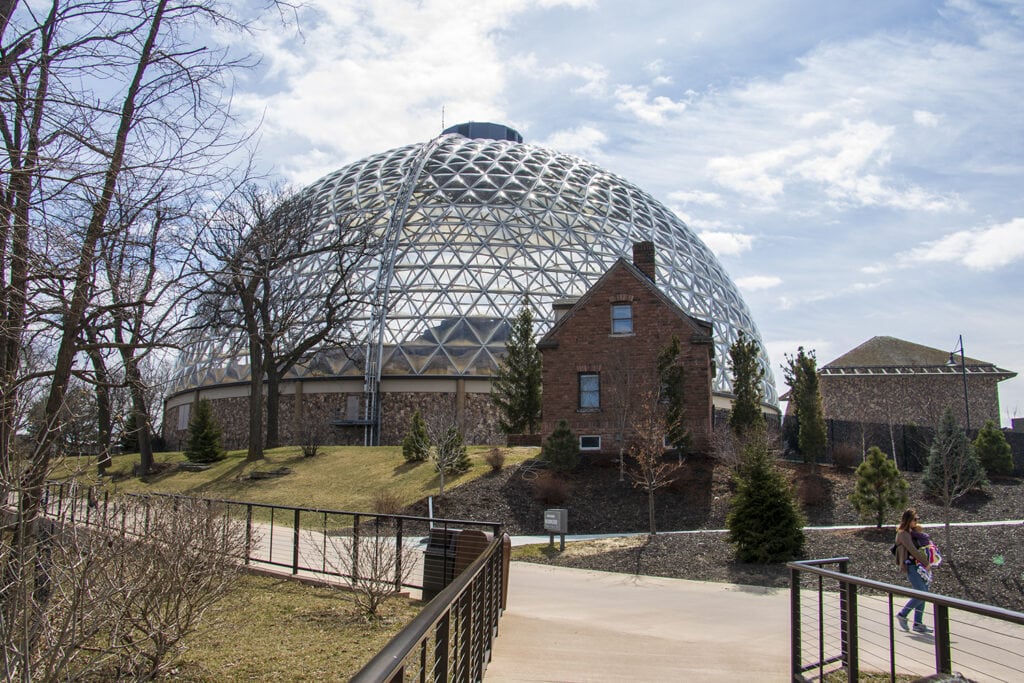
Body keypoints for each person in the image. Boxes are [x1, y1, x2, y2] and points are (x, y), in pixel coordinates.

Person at [894, 508, 934, 634]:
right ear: (908, 520)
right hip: (912, 566)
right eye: (914, 519)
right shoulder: (903, 534)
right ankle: (902, 614)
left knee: (924, 592)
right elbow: (913, 550)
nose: (916, 521)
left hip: (919, 566)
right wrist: (926, 563)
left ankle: (918, 623)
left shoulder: (912, 532)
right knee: (921, 593)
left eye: (917, 519)